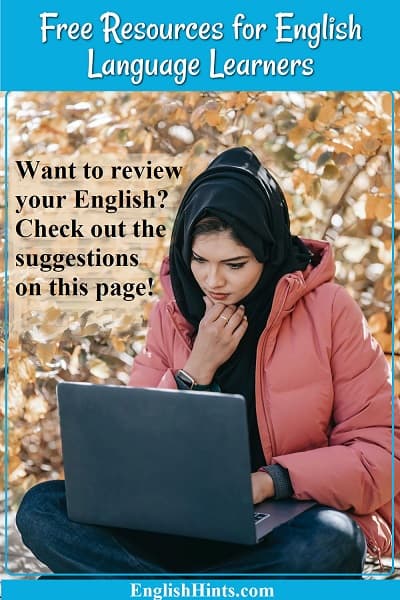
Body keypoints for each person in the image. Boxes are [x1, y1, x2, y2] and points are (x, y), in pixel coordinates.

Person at [16, 146, 399, 575]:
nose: (213, 281)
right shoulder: (173, 312)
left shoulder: (329, 310)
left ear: (267, 252)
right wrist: (196, 369)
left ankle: (156, 584)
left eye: (234, 264)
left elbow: (381, 453)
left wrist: (269, 482)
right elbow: (132, 453)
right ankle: (215, 586)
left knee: (333, 541)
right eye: (199, 260)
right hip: (175, 523)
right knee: (41, 509)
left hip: (283, 521)